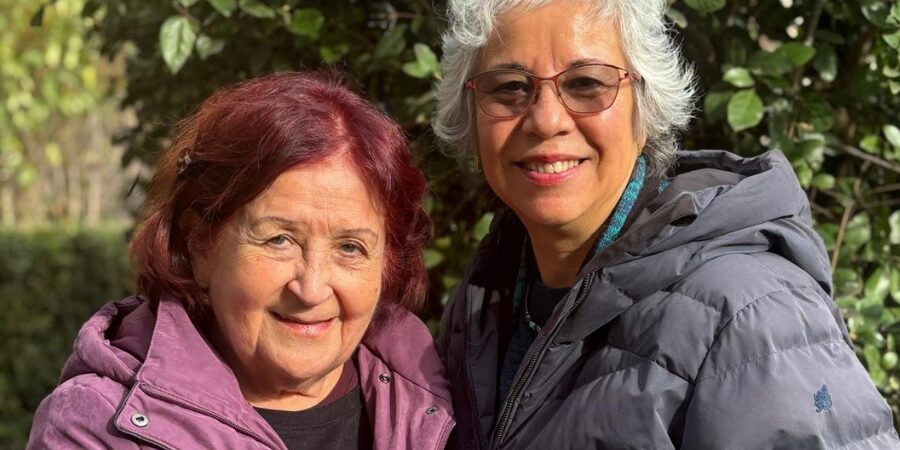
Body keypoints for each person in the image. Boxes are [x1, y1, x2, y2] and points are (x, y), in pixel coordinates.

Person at [432, 0, 899, 448]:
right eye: (510, 87)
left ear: (647, 104)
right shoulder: (482, 303)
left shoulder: (750, 316)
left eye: (587, 84)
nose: (546, 119)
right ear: (470, 115)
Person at [28, 72, 454, 450]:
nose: (311, 288)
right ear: (200, 246)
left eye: (350, 248)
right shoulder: (97, 428)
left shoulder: (436, 395)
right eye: (279, 240)